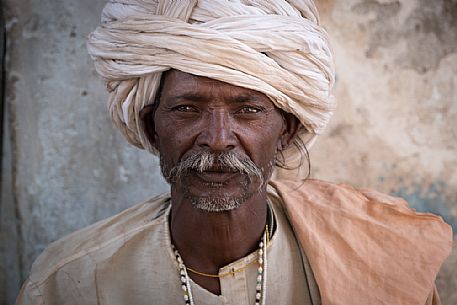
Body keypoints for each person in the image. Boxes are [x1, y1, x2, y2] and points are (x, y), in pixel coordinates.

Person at [16, 1, 452, 305]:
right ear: (153, 126)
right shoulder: (68, 282)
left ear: (287, 131)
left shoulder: (381, 260)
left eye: (248, 110)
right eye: (188, 109)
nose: (219, 138)